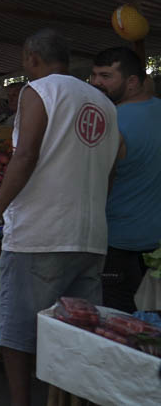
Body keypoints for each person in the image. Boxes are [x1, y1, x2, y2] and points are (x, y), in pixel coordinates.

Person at [0, 29, 118, 406]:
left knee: (18, 330)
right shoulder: (102, 101)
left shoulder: (38, 91)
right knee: (77, 332)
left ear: (30, 58)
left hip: (41, 233)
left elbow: (24, 157)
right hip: (89, 236)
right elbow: (114, 164)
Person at [89, 46, 161, 313]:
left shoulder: (111, 121)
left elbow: (97, 181)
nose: (97, 83)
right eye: (95, 75)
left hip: (118, 244)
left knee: (117, 326)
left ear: (132, 81)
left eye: (106, 76)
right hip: (155, 246)